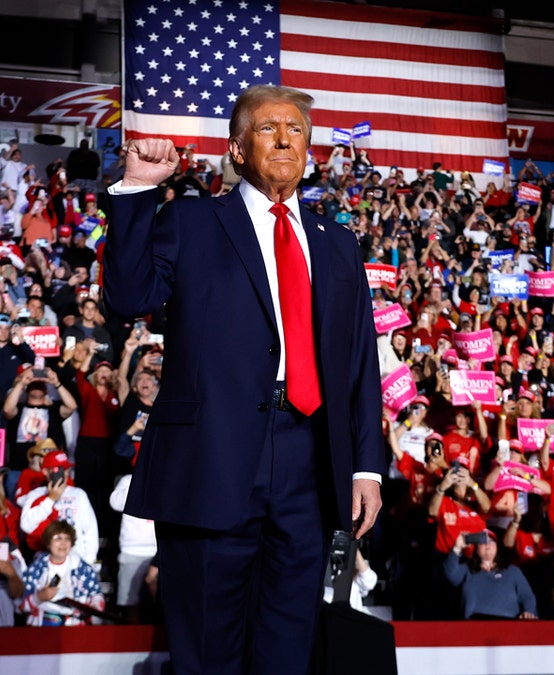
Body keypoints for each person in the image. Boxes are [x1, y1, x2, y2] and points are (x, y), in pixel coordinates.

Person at [104, 84, 383, 673]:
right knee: (207, 652)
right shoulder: (190, 220)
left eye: (296, 129)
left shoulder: (339, 244)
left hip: (308, 462)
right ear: (235, 149)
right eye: (266, 128)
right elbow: (128, 297)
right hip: (211, 460)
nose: (285, 138)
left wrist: (364, 466)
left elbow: (358, 361)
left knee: (287, 652)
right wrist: (136, 189)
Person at [19, 519, 106, 627]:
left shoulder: (83, 569)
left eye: (67, 538)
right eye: (58, 538)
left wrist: (94, 608)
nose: (63, 543)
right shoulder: (36, 570)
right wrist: (38, 598)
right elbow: (20, 607)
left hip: (76, 626)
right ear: (48, 543)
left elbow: (97, 596)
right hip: (43, 628)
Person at [443, 529, 537, 620]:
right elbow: (451, 575)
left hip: (509, 625)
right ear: (476, 549)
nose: (487, 544)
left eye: (492, 542)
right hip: (474, 625)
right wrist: (457, 547)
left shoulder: (512, 571)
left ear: (497, 547)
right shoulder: (467, 569)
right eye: (482, 541)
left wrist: (528, 612)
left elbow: (527, 596)